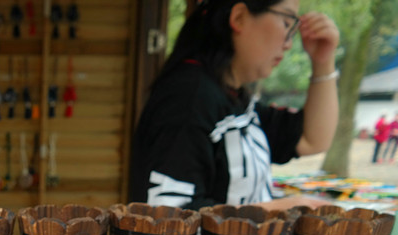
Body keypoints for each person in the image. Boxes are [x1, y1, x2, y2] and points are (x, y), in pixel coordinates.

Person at [129, 0, 339, 211]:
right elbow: (169, 214)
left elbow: (311, 139)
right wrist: (281, 209)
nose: (289, 43)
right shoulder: (190, 97)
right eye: (286, 22)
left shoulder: (233, 97)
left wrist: (323, 62)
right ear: (239, 17)